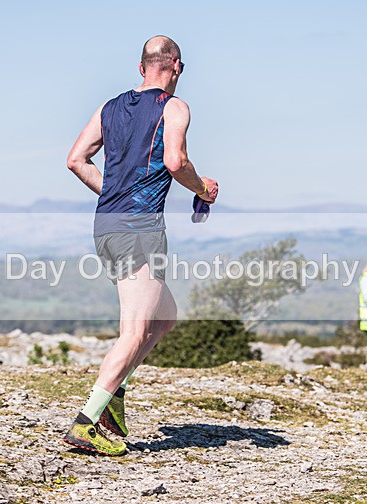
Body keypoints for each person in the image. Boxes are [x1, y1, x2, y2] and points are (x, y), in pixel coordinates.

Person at [64, 35, 218, 455]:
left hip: (107, 227)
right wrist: (202, 187)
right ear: (177, 67)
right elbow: (175, 161)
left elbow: (76, 159)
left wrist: (113, 192)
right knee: (134, 331)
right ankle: (86, 421)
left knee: (163, 316)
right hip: (140, 229)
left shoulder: (108, 107)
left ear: (140, 67)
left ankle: (115, 396)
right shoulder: (174, 106)